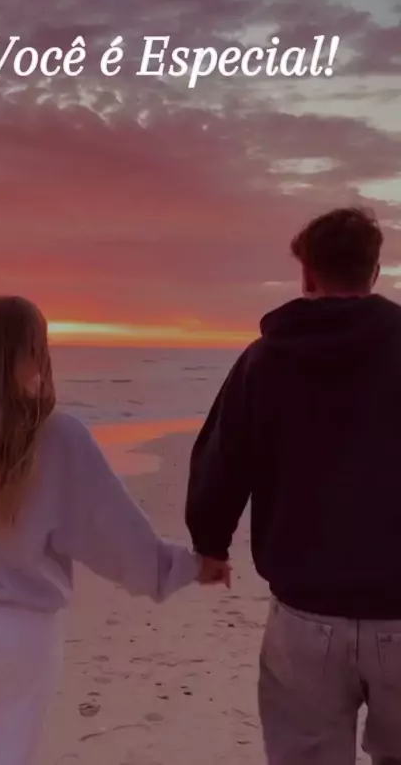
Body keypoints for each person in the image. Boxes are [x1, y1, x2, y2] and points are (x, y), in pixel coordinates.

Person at [0, 296, 221, 765]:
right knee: (8, 754)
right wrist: (183, 568)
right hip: (26, 628)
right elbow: (113, 532)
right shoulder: (57, 435)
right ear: (34, 353)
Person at [185, 207, 401, 765]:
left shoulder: (265, 360)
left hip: (307, 618)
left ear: (307, 275)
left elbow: (223, 458)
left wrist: (210, 545)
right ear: (375, 271)